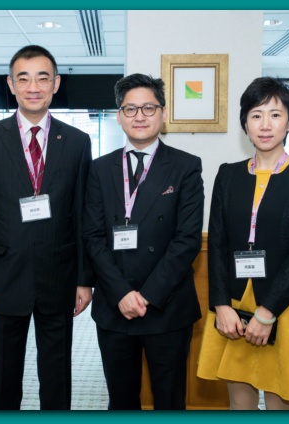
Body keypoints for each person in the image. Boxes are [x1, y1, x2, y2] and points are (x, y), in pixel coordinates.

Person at [0, 45, 94, 410]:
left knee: (56, 374)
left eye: (42, 78)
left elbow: (82, 215)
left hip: (60, 276)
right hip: (4, 277)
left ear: (56, 83)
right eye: (23, 79)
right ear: (11, 85)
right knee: (4, 374)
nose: (33, 87)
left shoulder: (77, 141)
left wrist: (84, 279)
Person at [196, 77, 289, 409]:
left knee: (279, 404)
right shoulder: (228, 174)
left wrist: (267, 313)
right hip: (234, 305)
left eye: (275, 114)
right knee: (239, 404)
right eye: (256, 115)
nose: (265, 125)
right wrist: (220, 305)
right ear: (245, 123)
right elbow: (218, 243)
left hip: (284, 302)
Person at [82, 73, 205, 410]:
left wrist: (147, 295)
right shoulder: (99, 169)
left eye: (148, 108)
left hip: (167, 305)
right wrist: (122, 293)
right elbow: (93, 236)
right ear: (119, 115)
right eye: (130, 109)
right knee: (121, 400)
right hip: (115, 304)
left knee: (170, 401)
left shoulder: (186, 167)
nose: (139, 116)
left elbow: (187, 240)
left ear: (163, 113)